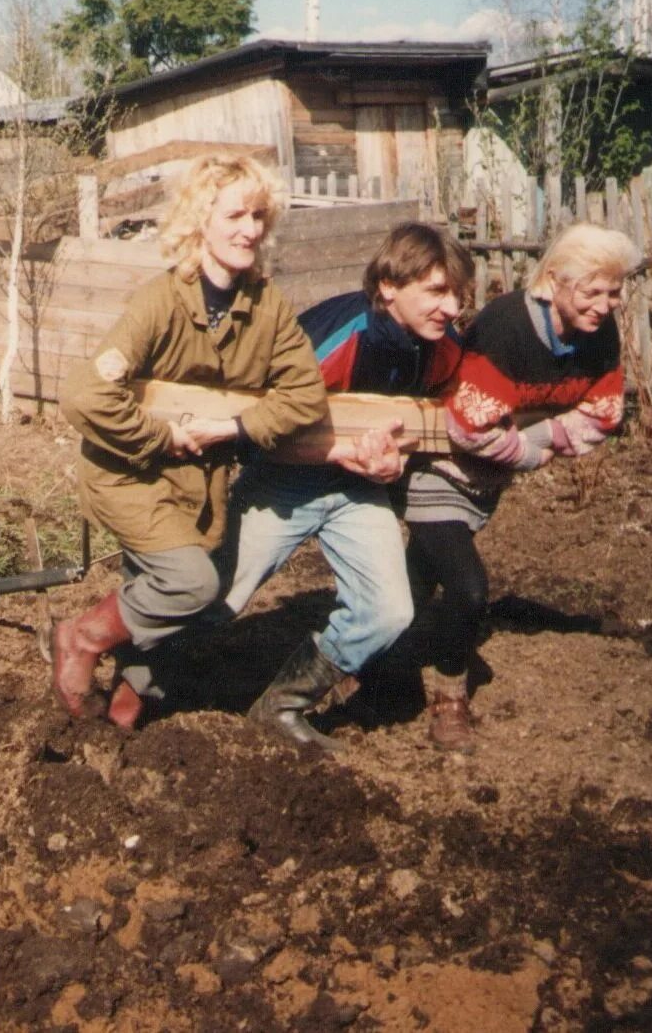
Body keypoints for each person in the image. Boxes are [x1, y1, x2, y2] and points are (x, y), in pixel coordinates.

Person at [166, 222, 473, 751]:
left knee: (389, 611)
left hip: (357, 491)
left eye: (457, 296)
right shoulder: (340, 334)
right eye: (437, 291)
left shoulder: (443, 351)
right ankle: (116, 659)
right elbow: (255, 429)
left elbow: (426, 427)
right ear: (389, 287)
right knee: (212, 598)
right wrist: (343, 452)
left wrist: (393, 463)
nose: (450, 309)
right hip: (285, 477)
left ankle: (281, 706)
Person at [52, 153, 329, 730]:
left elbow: (305, 396)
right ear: (200, 220)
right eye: (234, 215)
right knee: (191, 583)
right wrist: (160, 434)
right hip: (127, 473)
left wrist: (234, 428)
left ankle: (125, 710)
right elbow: (83, 395)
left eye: (258, 216)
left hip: (199, 487)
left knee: (169, 595)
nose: (250, 230)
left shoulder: (266, 306)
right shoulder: (159, 301)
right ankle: (81, 638)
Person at [398, 222, 635, 751]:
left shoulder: (600, 333)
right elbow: (469, 425)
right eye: (591, 291)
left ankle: (373, 660)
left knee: (414, 585)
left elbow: (604, 411)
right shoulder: (507, 326)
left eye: (614, 292)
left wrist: (548, 432)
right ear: (554, 281)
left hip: (487, 479)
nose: (605, 304)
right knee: (468, 588)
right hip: (440, 469)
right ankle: (449, 700)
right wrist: (530, 452)